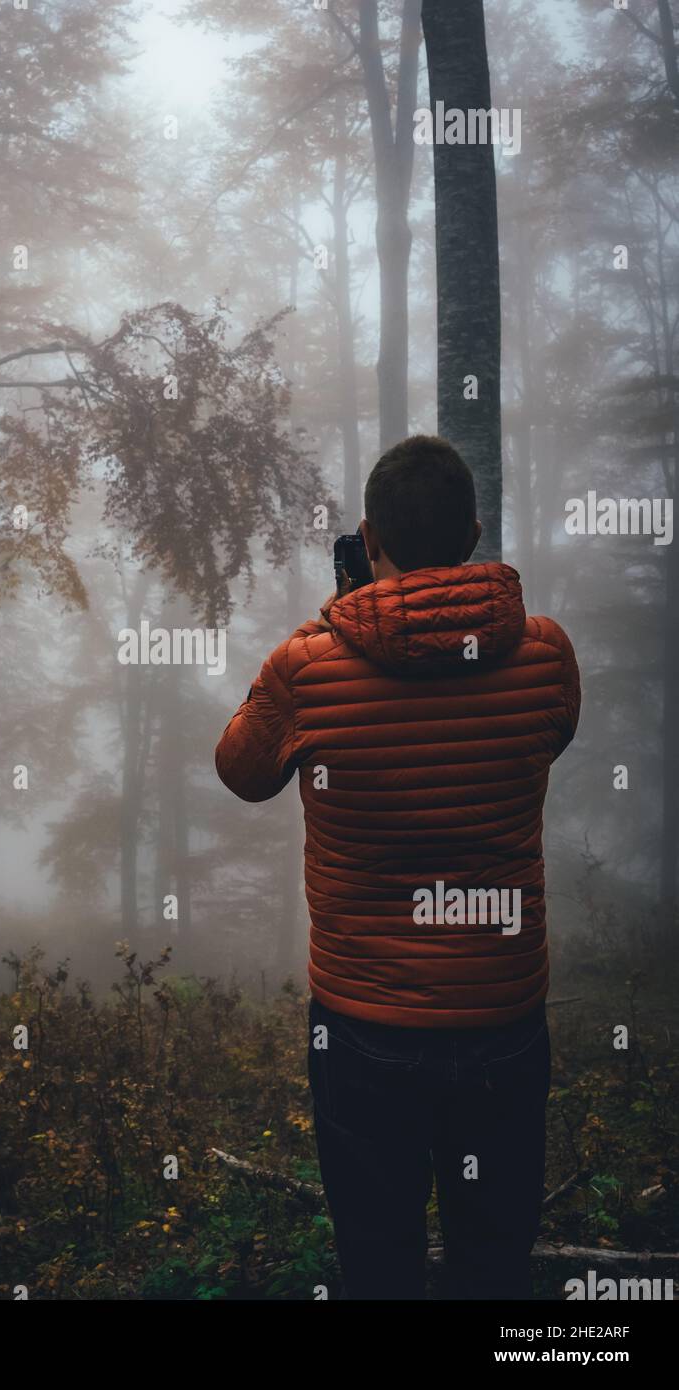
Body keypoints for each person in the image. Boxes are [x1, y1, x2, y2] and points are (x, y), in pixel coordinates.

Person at [215, 435, 581, 1300]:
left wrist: (337, 622)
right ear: (476, 530)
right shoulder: (546, 655)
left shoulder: (308, 667)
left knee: (379, 1263)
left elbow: (241, 771)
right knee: (493, 1266)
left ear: (370, 538)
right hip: (503, 1019)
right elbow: (550, 739)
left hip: (363, 1026)